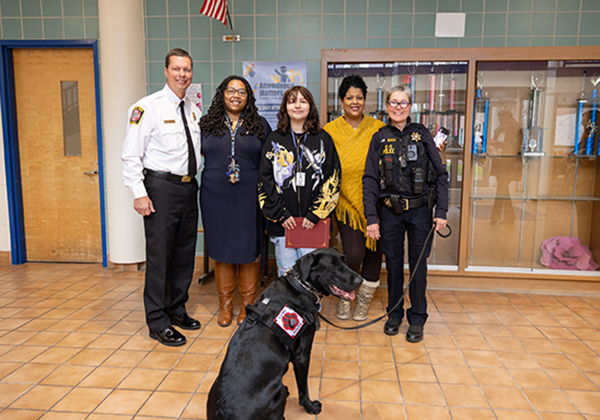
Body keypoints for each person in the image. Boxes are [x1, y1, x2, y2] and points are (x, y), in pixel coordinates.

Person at [122, 48, 201, 347]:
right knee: (159, 257)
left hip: (188, 186)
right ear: (166, 71)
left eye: (187, 69)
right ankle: (157, 321)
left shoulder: (193, 108)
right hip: (160, 188)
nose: (183, 74)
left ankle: (176, 308)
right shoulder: (146, 107)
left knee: (183, 253)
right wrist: (139, 193)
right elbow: (131, 155)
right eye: (177, 69)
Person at [363, 85, 449, 343]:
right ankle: (394, 314)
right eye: (393, 102)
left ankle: (418, 318)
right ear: (387, 106)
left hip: (422, 212)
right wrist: (371, 217)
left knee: (418, 267)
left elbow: (441, 174)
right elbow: (369, 179)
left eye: (403, 102)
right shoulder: (379, 138)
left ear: (410, 107)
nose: (398, 107)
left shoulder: (422, 134)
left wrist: (441, 210)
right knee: (392, 265)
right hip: (390, 212)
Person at [199, 75, 271, 327]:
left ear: (248, 96)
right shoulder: (206, 124)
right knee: (221, 251)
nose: (236, 95)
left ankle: (248, 306)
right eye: (231, 90)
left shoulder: (260, 124)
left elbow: (269, 163)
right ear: (222, 93)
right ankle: (225, 305)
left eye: (242, 91)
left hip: (249, 196)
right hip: (214, 195)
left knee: (248, 250)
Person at [258, 86, 341, 276]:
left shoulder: (323, 139)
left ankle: (310, 307)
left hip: (313, 223)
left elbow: (333, 177)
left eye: (303, 101)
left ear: (310, 107)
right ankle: (289, 308)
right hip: (284, 224)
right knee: (287, 274)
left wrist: (316, 214)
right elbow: (265, 180)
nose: (297, 106)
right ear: (285, 107)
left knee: (312, 276)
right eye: (292, 101)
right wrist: (281, 214)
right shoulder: (273, 140)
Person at [323, 75, 385, 321]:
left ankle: (363, 301)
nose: (355, 102)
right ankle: (345, 296)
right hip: (346, 203)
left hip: (376, 202)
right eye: (350, 97)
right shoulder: (330, 130)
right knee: (353, 253)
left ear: (365, 100)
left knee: (373, 252)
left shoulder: (378, 128)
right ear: (341, 101)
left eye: (359, 97)